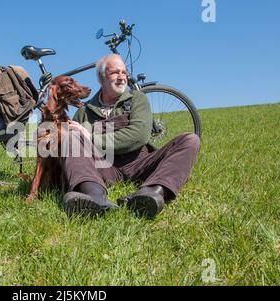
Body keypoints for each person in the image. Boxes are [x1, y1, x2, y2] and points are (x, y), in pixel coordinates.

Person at [63, 54, 201, 218]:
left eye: (124, 72)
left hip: (140, 163)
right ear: (101, 77)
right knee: (70, 137)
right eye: (115, 72)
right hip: (103, 168)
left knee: (190, 140)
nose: (122, 77)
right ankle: (94, 196)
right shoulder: (83, 112)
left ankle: (150, 193)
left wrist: (90, 136)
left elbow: (138, 135)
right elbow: (71, 149)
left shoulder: (137, 99)